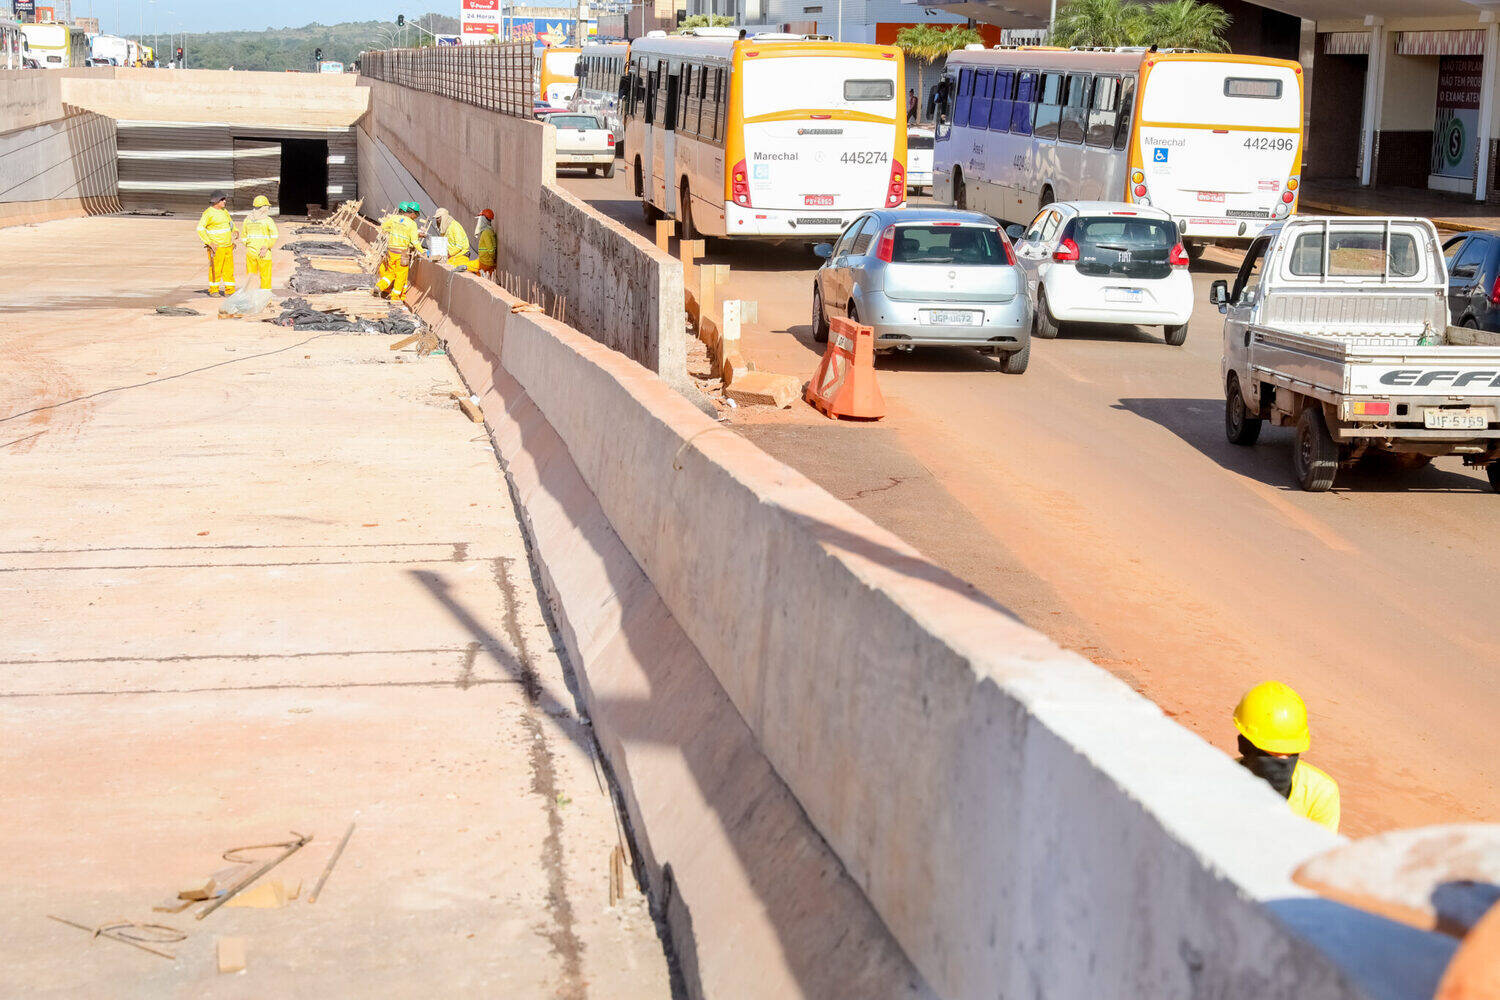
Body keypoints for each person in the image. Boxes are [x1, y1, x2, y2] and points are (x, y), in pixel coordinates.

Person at [1233, 681, 1340, 833]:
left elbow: (1322, 852)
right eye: (1274, 751)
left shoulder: (1321, 793)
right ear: (1245, 745)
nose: (1283, 759)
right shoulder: (1225, 781)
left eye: (1291, 751)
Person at [374, 201, 422, 302]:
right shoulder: (412, 224)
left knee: (391, 272)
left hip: (391, 251)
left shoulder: (394, 218)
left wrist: (394, 231)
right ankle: (395, 297)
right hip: (402, 253)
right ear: (413, 213)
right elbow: (414, 241)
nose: (415, 217)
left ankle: (380, 286)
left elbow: (384, 227)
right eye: (416, 215)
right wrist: (423, 251)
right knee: (400, 275)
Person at [195, 190, 236, 296]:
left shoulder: (224, 211)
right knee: (215, 269)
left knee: (228, 270)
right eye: (222, 199)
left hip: (228, 246)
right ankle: (214, 290)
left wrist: (235, 231)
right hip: (216, 247)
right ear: (216, 201)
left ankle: (230, 290)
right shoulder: (208, 213)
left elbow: (231, 223)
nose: (225, 201)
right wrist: (209, 243)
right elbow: (200, 229)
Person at [240, 194, 278, 291]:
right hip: (264, 254)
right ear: (264, 207)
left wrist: (249, 246)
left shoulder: (247, 220)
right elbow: (274, 235)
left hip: (251, 253)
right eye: (267, 206)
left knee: (251, 278)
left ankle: (250, 299)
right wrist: (266, 246)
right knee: (265, 277)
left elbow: (243, 236)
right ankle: (265, 300)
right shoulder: (268, 220)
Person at [433, 207, 478, 273]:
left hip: (460, 256)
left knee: (452, 269)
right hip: (452, 256)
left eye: (438, 218)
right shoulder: (445, 228)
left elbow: (459, 246)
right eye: (436, 218)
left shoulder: (455, 226)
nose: (437, 220)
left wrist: (448, 254)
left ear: (444, 217)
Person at [475, 209, 497, 278]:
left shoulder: (486, 232)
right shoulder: (489, 230)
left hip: (485, 262)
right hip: (487, 262)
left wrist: (490, 259)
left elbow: (491, 250)